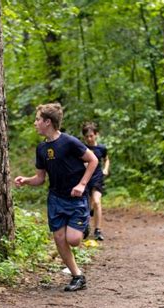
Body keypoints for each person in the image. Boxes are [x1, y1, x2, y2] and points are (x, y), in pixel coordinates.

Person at [14, 103, 98, 292]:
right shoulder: (41, 149)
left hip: (75, 197)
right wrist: (26, 180)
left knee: (74, 240)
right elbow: (40, 178)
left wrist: (82, 184)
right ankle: (77, 276)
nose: (35, 123)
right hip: (56, 198)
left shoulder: (69, 142)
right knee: (59, 238)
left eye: (37, 120)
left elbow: (93, 160)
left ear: (47, 122)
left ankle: (82, 225)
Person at [82, 122, 110, 241]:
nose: (89, 138)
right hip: (85, 177)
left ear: (96, 135)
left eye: (91, 136)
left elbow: (106, 159)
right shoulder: (82, 148)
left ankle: (98, 230)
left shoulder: (102, 148)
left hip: (98, 177)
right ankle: (85, 227)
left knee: (97, 202)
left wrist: (105, 169)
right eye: (87, 136)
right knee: (87, 204)